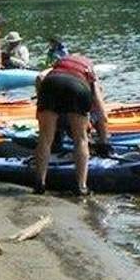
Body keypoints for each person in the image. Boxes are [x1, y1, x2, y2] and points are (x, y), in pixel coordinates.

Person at [32, 54, 111, 196]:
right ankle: (81, 186)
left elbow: (39, 78)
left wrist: (41, 103)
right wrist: (104, 141)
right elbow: (99, 106)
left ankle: (40, 183)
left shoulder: (59, 64)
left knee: (44, 138)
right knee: (80, 139)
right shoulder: (89, 69)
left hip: (50, 84)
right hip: (77, 87)